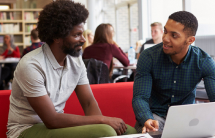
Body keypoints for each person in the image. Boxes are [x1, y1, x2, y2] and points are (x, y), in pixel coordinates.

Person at [7, 1, 136, 138]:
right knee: (107, 131)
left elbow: (88, 102)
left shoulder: (76, 60)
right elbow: (51, 120)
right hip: (26, 129)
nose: (83, 40)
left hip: (55, 126)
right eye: (76, 35)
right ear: (57, 37)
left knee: (129, 132)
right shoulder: (32, 65)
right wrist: (103, 121)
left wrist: (102, 126)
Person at [132, 11, 215, 133]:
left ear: (190, 40)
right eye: (165, 31)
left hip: (187, 119)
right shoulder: (148, 57)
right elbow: (140, 97)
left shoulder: (203, 61)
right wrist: (146, 118)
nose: (165, 38)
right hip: (154, 116)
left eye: (174, 35)